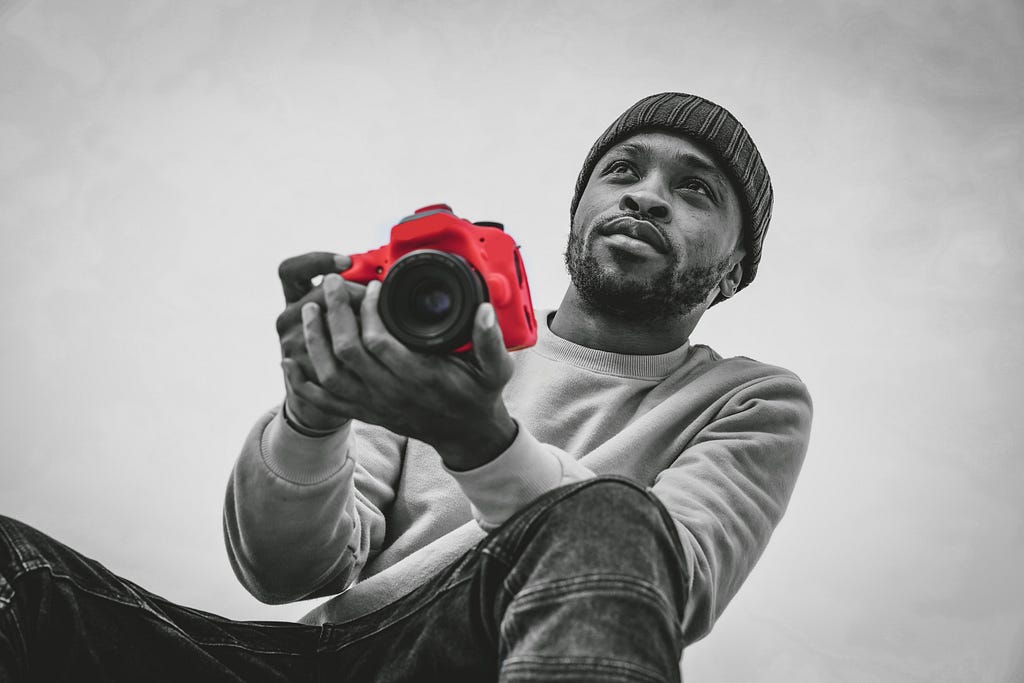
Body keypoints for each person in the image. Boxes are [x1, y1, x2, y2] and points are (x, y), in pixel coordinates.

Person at [0, 92, 812, 682]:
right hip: (312, 661)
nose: (645, 195)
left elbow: (675, 576)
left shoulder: (752, 400)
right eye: (622, 170)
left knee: (606, 517)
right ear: (578, 210)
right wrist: (311, 415)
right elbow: (286, 572)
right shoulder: (444, 339)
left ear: (736, 267)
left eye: (694, 187)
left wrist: (476, 438)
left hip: (493, 658)